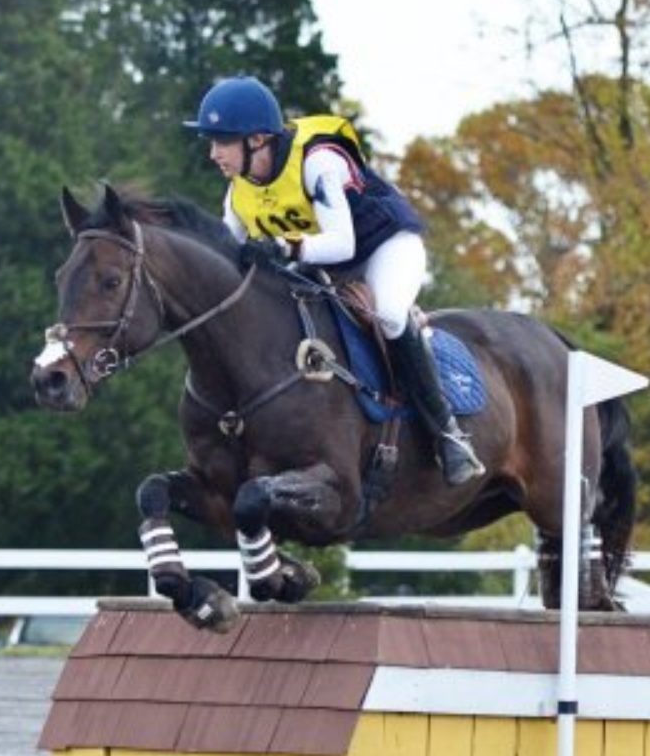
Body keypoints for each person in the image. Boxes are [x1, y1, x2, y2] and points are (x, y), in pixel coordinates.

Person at [184, 76, 484, 486]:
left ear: (256, 140)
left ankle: (448, 432)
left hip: (382, 247)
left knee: (392, 315)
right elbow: (227, 260)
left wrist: (287, 249)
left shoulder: (317, 161)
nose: (213, 153)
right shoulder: (237, 195)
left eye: (222, 141)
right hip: (321, 263)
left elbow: (342, 243)